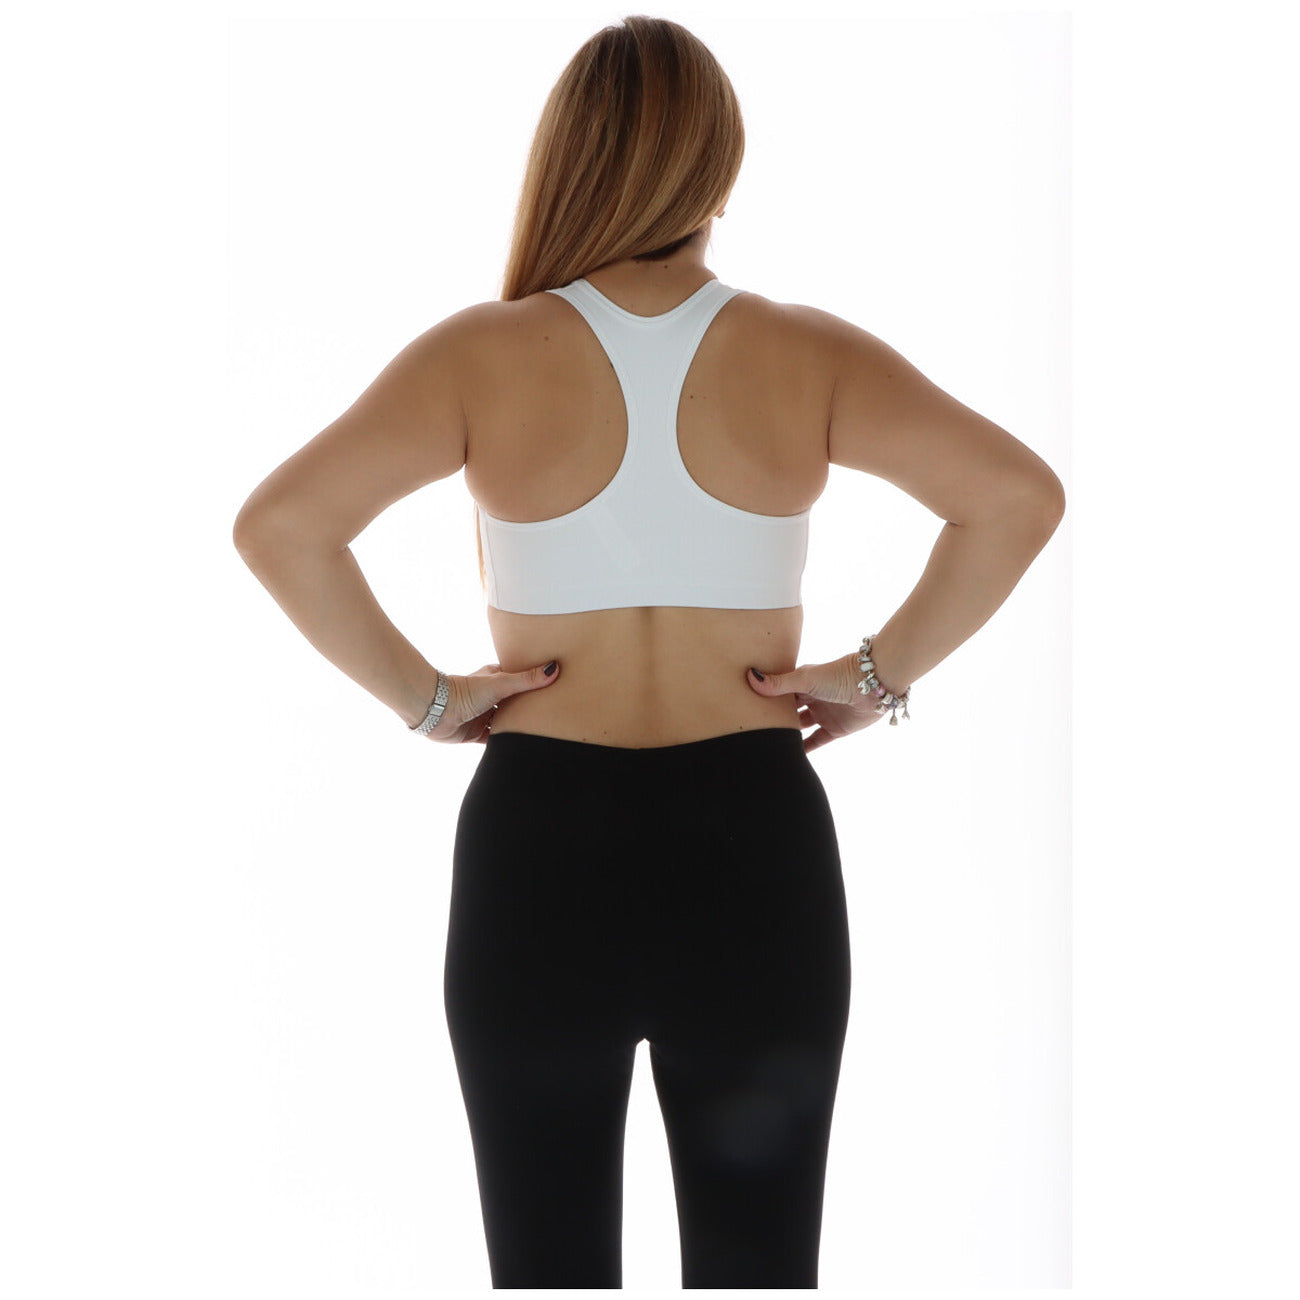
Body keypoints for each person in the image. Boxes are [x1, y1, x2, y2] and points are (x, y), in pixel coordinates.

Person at [232, 15, 1065, 1289]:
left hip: (538, 850)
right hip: (752, 845)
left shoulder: (479, 355)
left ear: (567, 157)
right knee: (758, 1270)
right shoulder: (804, 352)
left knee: (546, 1270)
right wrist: (874, 677)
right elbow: (1014, 497)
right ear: (718, 165)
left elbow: (283, 526)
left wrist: (433, 701)